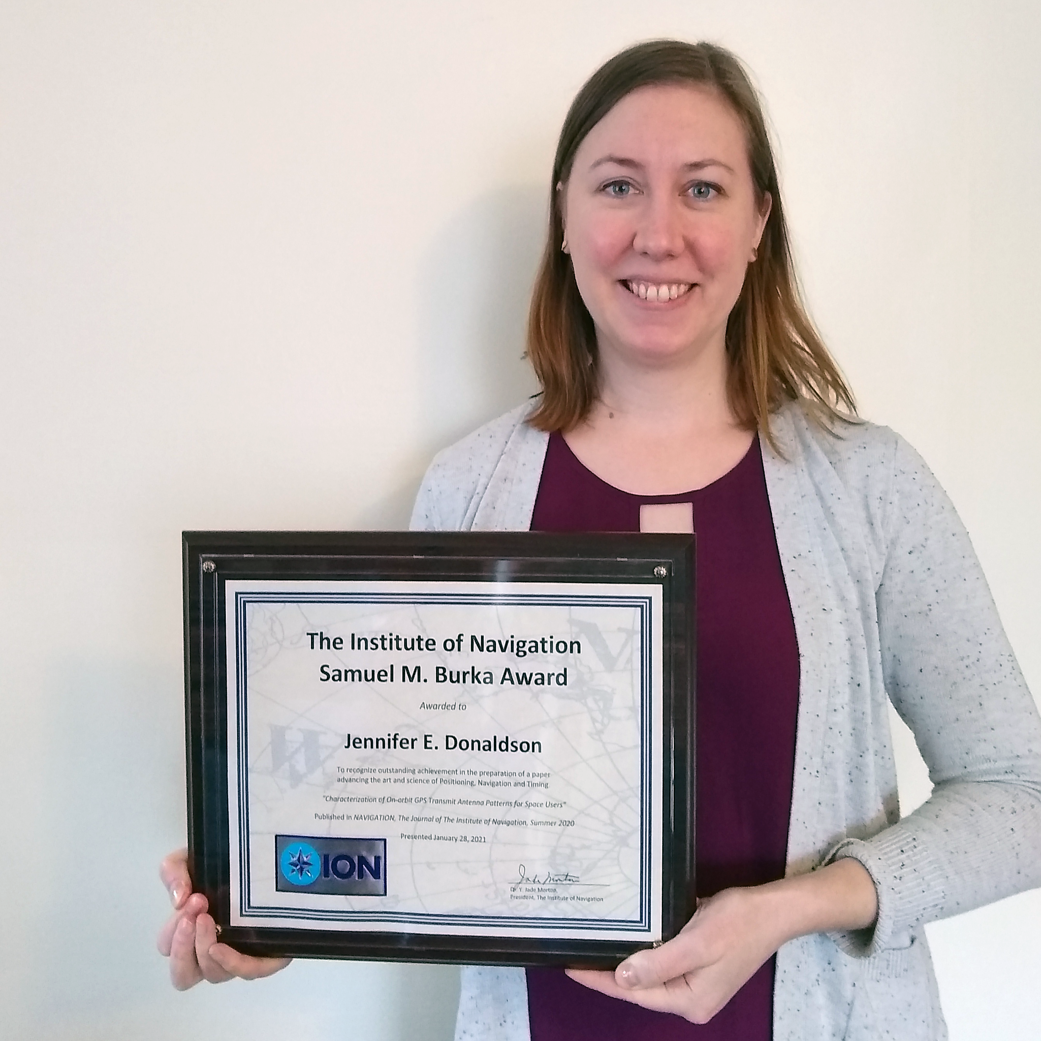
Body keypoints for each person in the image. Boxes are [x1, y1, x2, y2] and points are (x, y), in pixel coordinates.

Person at [159, 39, 1041, 1040]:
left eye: (702, 189)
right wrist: (274, 900)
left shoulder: (868, 487)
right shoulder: (470, 489)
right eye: (620, 185)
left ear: (759, 224)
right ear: (566, 217)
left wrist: (799, 905)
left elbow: (1021, 797)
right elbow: (424, 793)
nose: (658, 234)